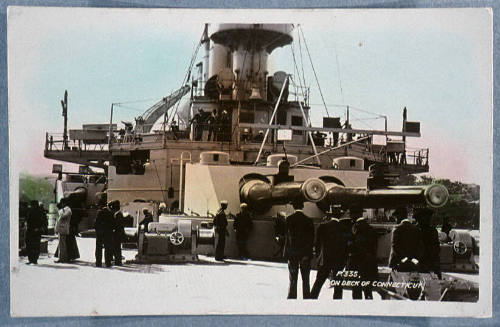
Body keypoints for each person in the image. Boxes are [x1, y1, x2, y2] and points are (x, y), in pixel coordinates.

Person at [310, 208, 347, 299]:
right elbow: (345, 247)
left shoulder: (322, 226)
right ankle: (337, 302)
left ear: (330, 215)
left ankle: (312, 300)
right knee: (338, 285)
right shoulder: (344, 228)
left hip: (325, 259)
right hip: (338, 260)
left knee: (318, 282)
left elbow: (317, 244)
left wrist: (319, 257)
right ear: (340, 216)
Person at [284, 200, 315, 299]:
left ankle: (292, 297)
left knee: (293, 278)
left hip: (292, 253)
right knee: (306, 279)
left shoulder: (288, 219)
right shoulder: (308, 220)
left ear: (293, 207)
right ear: (302, 207)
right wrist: (309, 253)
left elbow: (285, 238)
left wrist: (286, 252)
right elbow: (311, 239)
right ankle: (306, 297)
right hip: (305, 253)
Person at [350, 209, 378, 299]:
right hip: (368, 263)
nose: (351, 216)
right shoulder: (370, 227)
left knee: (356, 289)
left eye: (352, 214)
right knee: (368, 289)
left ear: (356, 214)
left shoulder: (355, 227)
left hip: (356, 262)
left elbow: (353, 245)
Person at [415, 208, 441, 279]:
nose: (429, 220)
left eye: (429, 217)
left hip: (426, 262)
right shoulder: (415, 230)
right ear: (420, 218)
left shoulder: (432, 231)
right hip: (422, 262)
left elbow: (436, 248)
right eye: (427, 218)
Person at [94, 199, 115, 267]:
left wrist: (97, 230)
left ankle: (98, 262)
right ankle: (108, 263)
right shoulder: (110, 213)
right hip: (108, 233)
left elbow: (96, 223)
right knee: (107, 248)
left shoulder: (99, 212)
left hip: (100, 233)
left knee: (98, 248)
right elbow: (113, 224)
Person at [55, 198, 72, 263]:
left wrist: (60, 210)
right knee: (61, 244)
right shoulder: (65, 209)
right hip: (61, 228)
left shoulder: (67, 210)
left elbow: (62, 216)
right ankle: (61, 257)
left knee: (62, 244)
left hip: (63, 228)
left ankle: (62, 258)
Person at [110, 200, 125, 266]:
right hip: (118, 233)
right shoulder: (119, 214)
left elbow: (117, 225)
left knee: (116, 247)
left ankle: (118, 261)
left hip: (117, 234)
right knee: (117, 247)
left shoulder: (117, 214)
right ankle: (118, 260)